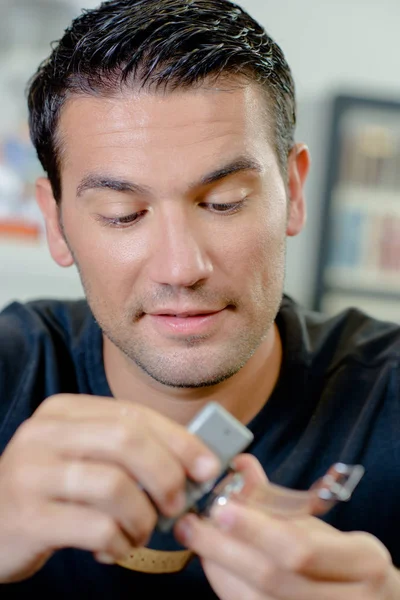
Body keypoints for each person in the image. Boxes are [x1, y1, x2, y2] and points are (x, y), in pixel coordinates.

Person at [0, 0, 399, 597]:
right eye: (123, 214)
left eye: (224, 203)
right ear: (56, 224)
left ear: (292, 191)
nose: (182, 268)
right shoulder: (10, 371)